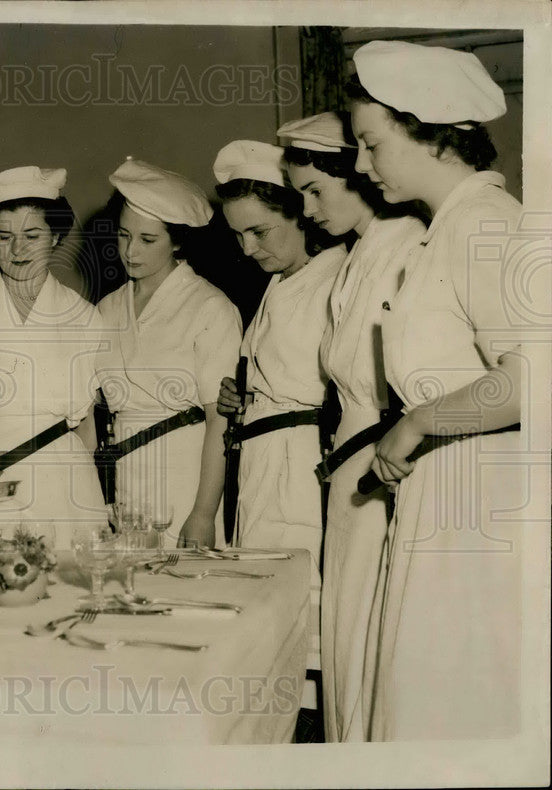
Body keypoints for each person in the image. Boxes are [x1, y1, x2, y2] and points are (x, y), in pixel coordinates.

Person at [348, 41, 524, 740]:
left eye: (372, 144)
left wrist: (418, 422)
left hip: (481, 502)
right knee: (426, 702)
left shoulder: (485, 226)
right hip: (446, 493)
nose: (362, 165)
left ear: (429, 134)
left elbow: (529, 384)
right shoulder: (445, 229)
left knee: (457, 710)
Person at [278, 112, 426, 742]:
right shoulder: (358, 254)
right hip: (348, 463)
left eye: (316, 190)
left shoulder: (408, 243)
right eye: (300, 195)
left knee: (370, 623)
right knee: (344, 620)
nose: (307, 209)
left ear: (357, 175)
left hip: (381, 461)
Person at [213, 140, 348, 715]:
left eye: (260, 232)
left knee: (306, 633)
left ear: (301, 213)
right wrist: (243, 398)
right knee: (269, 634)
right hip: (266, 468)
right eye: (238, 236)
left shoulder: (335, 278)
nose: (247, 249)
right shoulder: (277, 284)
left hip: (303, 473)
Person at [0, 166, 105, 547]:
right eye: (4, 236)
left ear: (55, 237)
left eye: (32, 236)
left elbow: (86, 429)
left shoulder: (85, 316)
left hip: (66, 485)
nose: (18, 250)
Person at [97, 158, 242, 549]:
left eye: (147, 240)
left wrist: (203, 513)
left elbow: (220, 421)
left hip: (185, 475)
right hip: (124, 478)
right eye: (124, 235)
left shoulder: (210, 307)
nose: (131, 251)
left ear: (177, 241)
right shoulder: (107, 309)